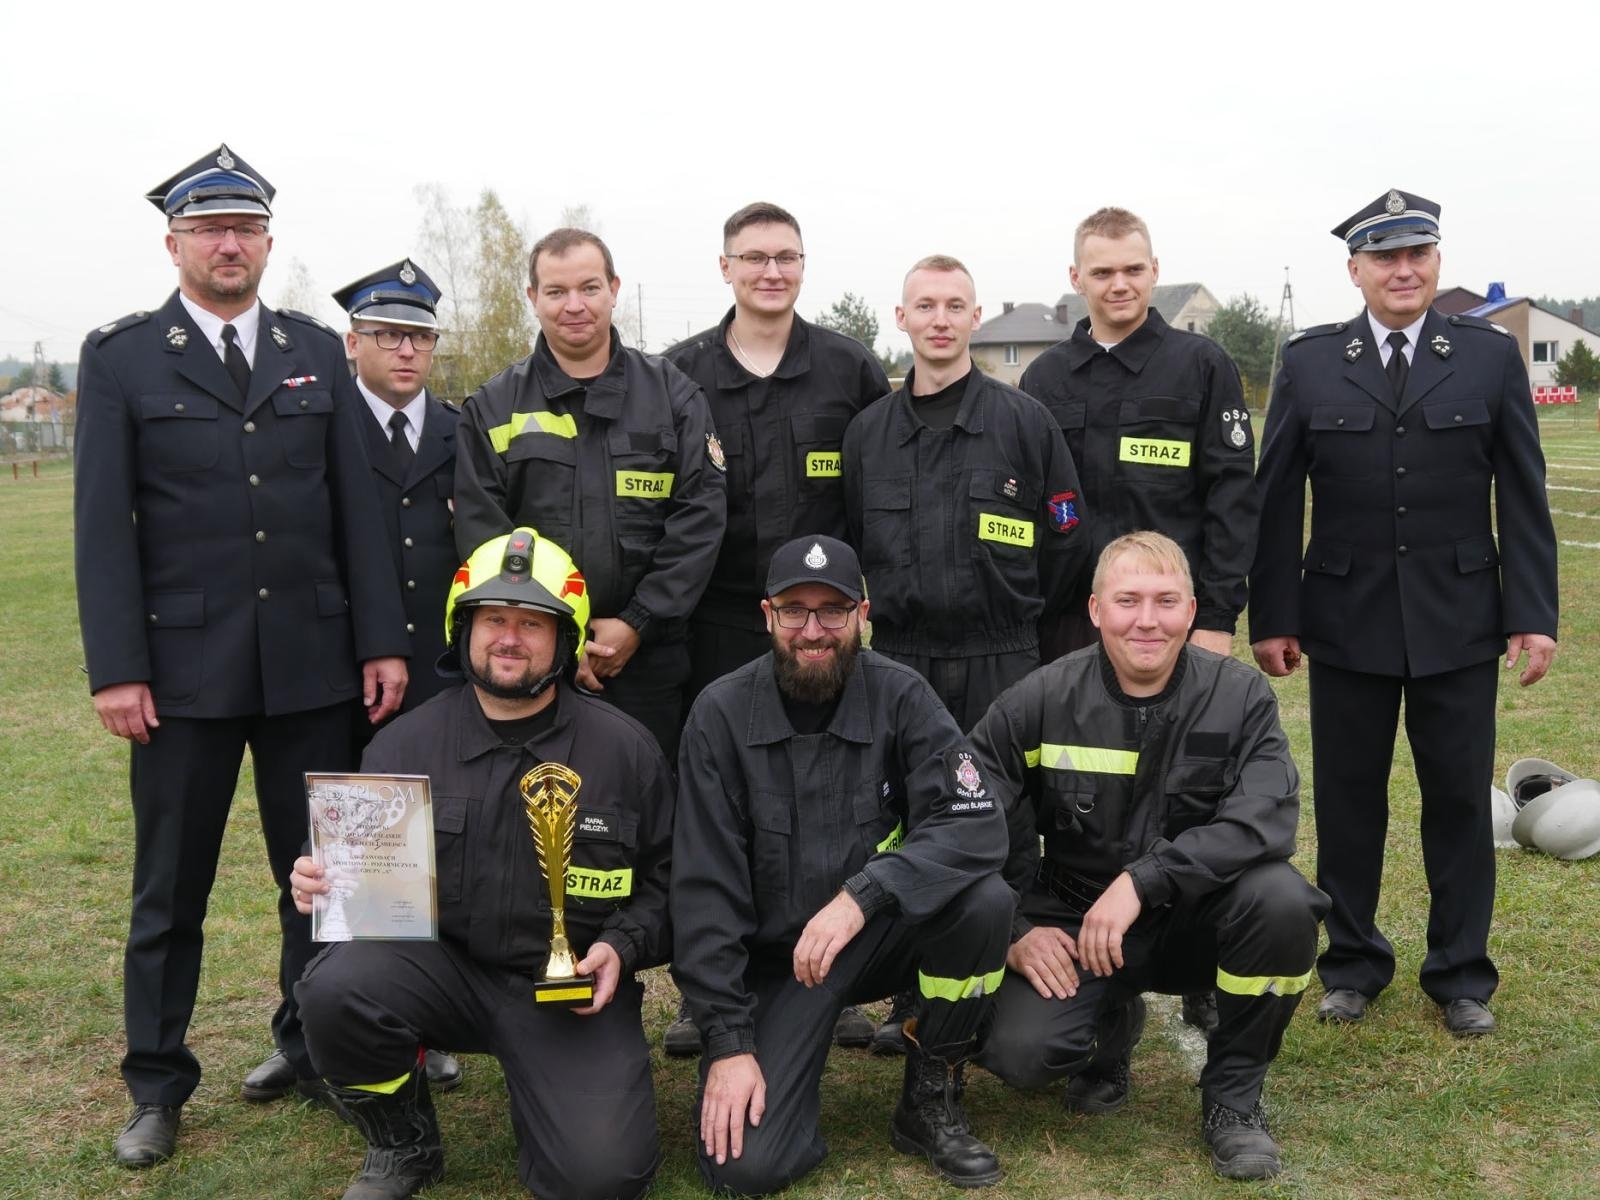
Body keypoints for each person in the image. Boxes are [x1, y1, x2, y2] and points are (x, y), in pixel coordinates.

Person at [73, 145, 410, 1168]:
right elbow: (103, 527)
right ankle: (156, 1082)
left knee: (324, 884)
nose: (230, 244)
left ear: (267, 241)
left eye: (247, 228)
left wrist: (381, 642)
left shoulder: (314, 349)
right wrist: (117, 667)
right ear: (174, 243)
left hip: (311, 665)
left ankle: (317, 1049)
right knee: (168, 890)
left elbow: (357, 511)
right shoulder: (124, 357)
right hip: (182, 677)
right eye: (210, 229)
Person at [1250, 189, 1559, 1036]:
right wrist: (1272, 615)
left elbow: (1522, 494)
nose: (1403, 270)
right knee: (1349, 804)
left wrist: (1533, 613)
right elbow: (1275, 502)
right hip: (1344, 620)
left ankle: (1460, 976)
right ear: (1355, 270)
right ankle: (1351, 966)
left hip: (1459, 618)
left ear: (1436, 262)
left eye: (1417, 253)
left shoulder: (1488, 357)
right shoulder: (1311, 361)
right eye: (1384, 257)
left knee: (1458, 803)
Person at [292, 529, 673, 1200]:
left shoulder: (627, 752)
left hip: (569, 992)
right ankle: (403, 1142)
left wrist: (623, 944)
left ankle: (559, 1099)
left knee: (601, 1179)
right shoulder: (402, 746)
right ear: (463, 629)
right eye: (494, 619)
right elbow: (360, 875)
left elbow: (675, 882)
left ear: (565, 639)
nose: (509, 639)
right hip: (442, 973)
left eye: (532, 624)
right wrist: (320, 877)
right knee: (335, 989)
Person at [971, 531, 1327, 1181]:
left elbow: (1264, 819)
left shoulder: (1240, 698)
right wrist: (1015, 932)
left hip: (1198, 919)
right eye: (1127, 600)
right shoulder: (1044, 696)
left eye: (1166, 601)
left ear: (1191, 611)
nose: (1147, 620)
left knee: (1282, 902)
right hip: (1079, 921)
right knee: (1019, 1054)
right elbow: (964, 811)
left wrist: (1145, 879)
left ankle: (1234, 1099)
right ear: (1095, 610)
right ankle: (1109, 1027)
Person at [672, 535, 1014, 1192]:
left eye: (832, 610)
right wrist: (730, 1044)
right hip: (778, 963)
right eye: (794, 610)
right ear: (767, 616)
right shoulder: (718, 715)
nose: (813, 630)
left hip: (875, 933)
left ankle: (930, 1095)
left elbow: (975, 822)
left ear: (862, 614)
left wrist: (866, 893)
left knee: (984, 902)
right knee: (746, 1168)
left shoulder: (903, 695)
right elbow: (702, 894)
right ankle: (773, 1051)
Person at [1018, 206, 1260, 1036]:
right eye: (1102, 271)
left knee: (1191, 789)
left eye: (1132, 269)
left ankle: (1195, 957)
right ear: (1076, 278)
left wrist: (1216, 616)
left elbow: (1232, 496)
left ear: (1154, 271)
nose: (1118, 284)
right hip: (1073, 623)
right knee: (1079, 794)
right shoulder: (1046, 379)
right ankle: (1093, 955)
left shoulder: (1201, 365)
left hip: (1173, 622)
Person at [661, 201, 888, 1057]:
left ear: (802, 265)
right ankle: (706, 988)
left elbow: (876, 492)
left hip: (820, 628)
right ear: (724, 268)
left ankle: (832, 978)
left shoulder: (849, 368)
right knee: (719, 803)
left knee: (829, 798)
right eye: (753, 257)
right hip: (717, 623)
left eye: (785, 256)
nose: (770, 271)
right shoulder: (681, 374)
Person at [453, 228, 727, 760]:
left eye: (589, 287)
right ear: (532, 297)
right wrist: (557, 633)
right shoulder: (493, 406)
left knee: (645, 798)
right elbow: (484, 535)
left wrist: (638, 622)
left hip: (649, 661)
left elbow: (700, 519)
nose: (574, 305)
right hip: (534, 660)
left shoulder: (673, 396)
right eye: (556, 291)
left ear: (614, 289)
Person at [842, 254, 1088, 732]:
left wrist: (1013, 622)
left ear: (975, 317)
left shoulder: (1027, 424)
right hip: (900, 664)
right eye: (925, 306)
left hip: (1006, 663)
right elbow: (854, 539)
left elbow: (1067, 544)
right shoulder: (866, 437)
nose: (941, 320)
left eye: (955, 306)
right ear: (901, 317)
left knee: (1005, 783)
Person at [333, 259, 462, 720]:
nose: (407, 351)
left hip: (444, 670)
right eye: (388, 334)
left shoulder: (463, 433)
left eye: (421, 337)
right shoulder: (324, 429)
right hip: (346, 667)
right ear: (353, 343)